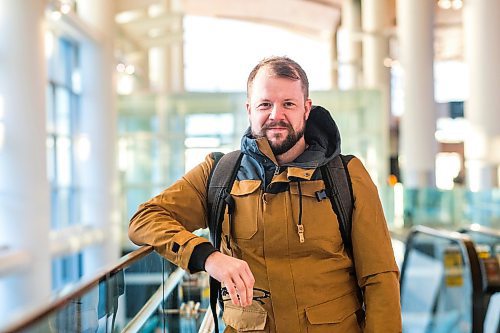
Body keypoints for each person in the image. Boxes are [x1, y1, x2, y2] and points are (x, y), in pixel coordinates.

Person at [129, 56, 402, 332]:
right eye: (265, 104)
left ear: (306, 109)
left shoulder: (346, 175)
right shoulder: (219, 174)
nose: (276, 115)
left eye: (288, 104)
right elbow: (145, 219)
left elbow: (380, 278)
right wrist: (209, 257)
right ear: (249, 109)